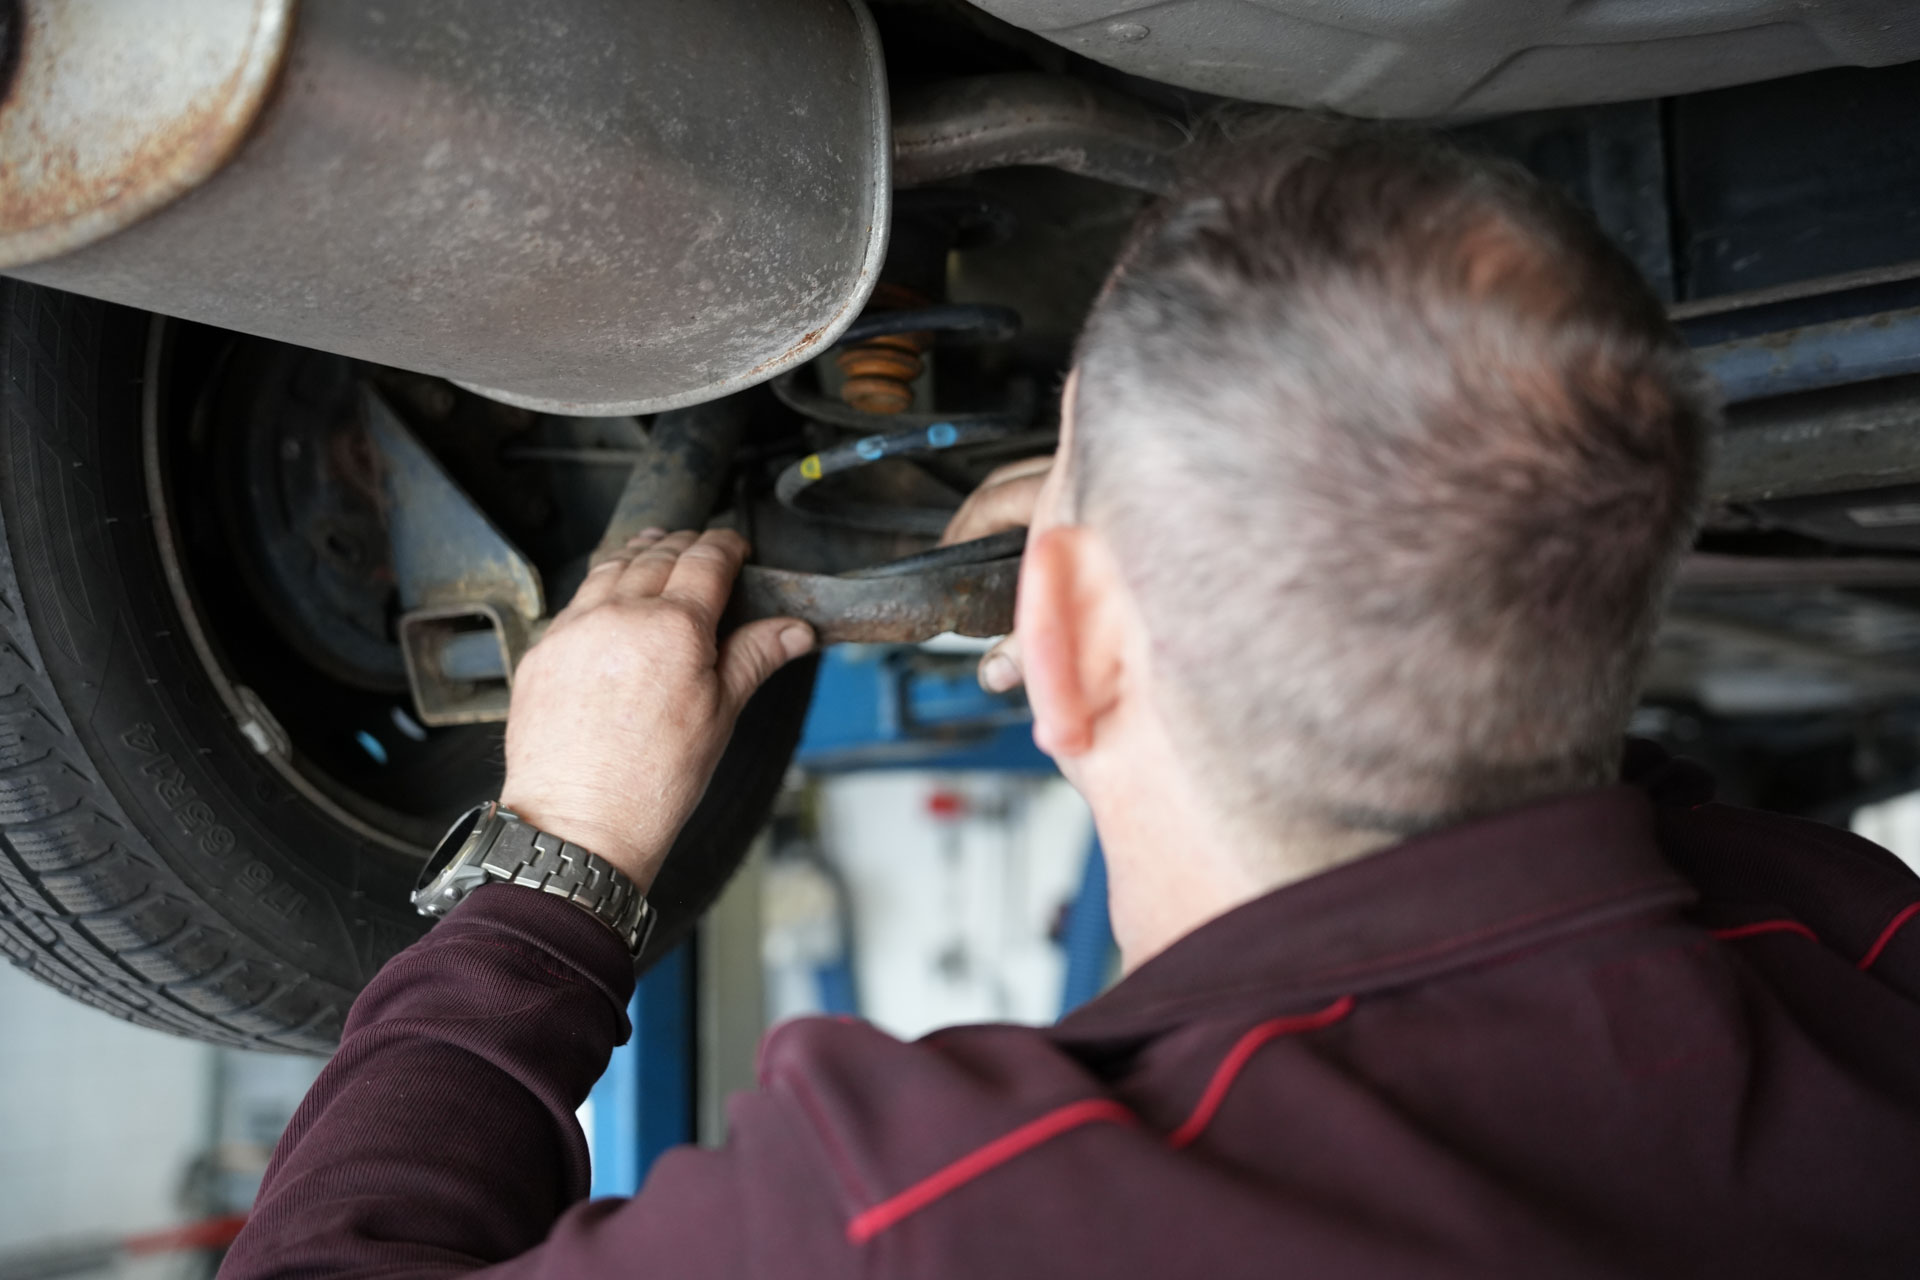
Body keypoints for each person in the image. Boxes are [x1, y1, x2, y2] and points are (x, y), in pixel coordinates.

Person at [222, 118, 1920, 1279]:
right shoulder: (1863, 958)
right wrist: (1155, 544)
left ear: (1073, 638)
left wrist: (556, 856)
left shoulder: (945, 1221)